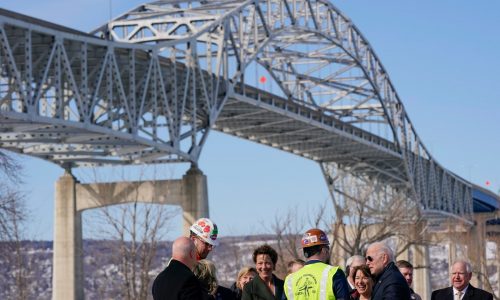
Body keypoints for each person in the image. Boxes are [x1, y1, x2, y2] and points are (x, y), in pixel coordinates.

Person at [284, 228, 350, 300]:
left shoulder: (289, 280)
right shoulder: (334, 273)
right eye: (327, 248)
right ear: (324, 250)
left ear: (305, 252)